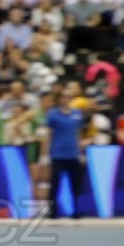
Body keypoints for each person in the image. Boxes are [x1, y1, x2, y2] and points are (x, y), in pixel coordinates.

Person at [46, 86, 84, 219]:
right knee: (55, 184)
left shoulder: (77, 113)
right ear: (59, 99)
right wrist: (45, 154)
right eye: (64, 97)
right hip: (58, 154)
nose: (67, 99)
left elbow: (78, 134)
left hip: (72, 154)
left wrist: (80, 152)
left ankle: (76, 210)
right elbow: (48, 133)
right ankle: (52, 212)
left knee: (75, 184)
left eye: (69, 97)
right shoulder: (53, 114)